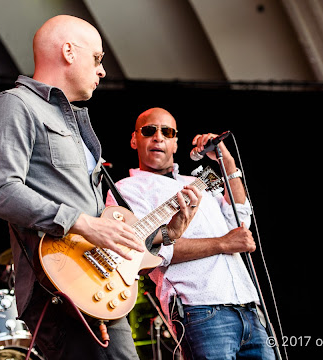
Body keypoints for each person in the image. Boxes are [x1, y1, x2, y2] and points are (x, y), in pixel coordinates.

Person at [0, 14, 199, 360]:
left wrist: (165, 235)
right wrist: (83, 222)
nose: (102, 70)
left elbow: (104, 227)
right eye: (97, 58)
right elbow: (0, 192)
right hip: (59, 286)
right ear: (68, 51)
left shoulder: (78, 123)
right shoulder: (13, 105)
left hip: (94, 285)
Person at [105, 107, 275, 359]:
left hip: (250, 307)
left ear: (175, 143)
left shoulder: (195, 182)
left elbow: (240, 220)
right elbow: (149, 251)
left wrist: (226, 162)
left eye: (167, 132)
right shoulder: (126, 190)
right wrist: (222, 244)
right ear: (134, 139)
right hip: (200, 310)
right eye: (149, 130)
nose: (158, 137)